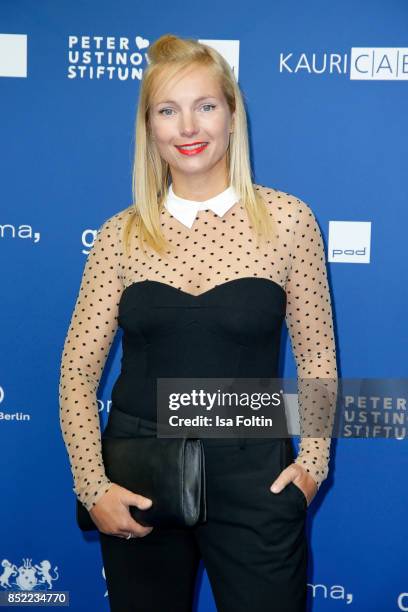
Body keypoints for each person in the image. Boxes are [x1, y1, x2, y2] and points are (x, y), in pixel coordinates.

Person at [59, 33, 338, 612]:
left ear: (232, 116)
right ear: (150, 128)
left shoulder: (288, 221)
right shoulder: (119, 235)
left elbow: (317, 358)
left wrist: (312, 464)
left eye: (205, 105)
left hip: (256, 479)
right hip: (139, 480)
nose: (188, 127)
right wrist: (94, 488)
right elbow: (76, 374)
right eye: (168, 110)